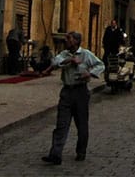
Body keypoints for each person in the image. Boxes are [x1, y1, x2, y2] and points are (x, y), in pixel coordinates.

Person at [40, 31, 104, 165]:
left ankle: (81, 151)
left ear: (75, 41)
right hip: (67, 92)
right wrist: (69, 60)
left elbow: (100, 65)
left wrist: (89, 74)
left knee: (81, 124)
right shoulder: (64, 54)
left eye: (68, 38)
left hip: (81, 92)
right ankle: (55, 154)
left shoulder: (86, 54)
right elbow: (55, 62)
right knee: (61, 124)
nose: (66, 40)